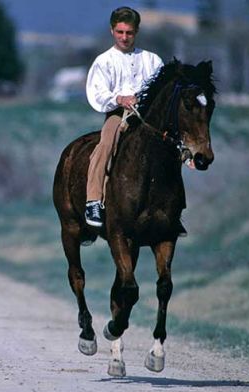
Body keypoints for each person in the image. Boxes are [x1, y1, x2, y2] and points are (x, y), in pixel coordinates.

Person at [84, 6, 163, 227]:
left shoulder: (152, 60)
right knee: (106, 143)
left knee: (170, 142)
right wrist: (119, 99)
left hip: (147, 115)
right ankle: (93, 200)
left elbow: (161, 89)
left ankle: (172, 206)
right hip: (118, 114)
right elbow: (97, 92)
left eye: (129, 32)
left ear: (136, 32)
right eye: (120, 32)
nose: (124, 37)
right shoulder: (104, 61)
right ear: (112, 31)